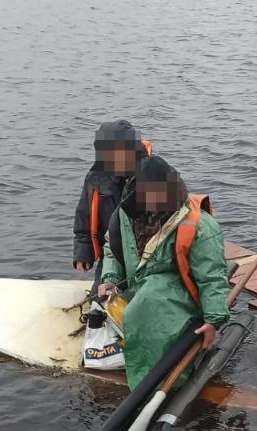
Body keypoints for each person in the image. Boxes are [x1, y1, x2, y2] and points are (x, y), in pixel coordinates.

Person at [96, 156, 230, 390]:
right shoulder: (125, 215)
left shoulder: (200, 226)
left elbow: (212, 277)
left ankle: (158, 385)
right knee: (109, 309)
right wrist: (110, 278)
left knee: (147, 304)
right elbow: (111, 249)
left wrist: (213, 320)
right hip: (138, 286)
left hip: (176, 293)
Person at [72, 120, 153, 287]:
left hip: (147, 256)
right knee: (98, 305)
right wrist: (82, 253)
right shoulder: (94, 179)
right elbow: (84, 216)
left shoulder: (154, 173)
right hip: (110, 254)